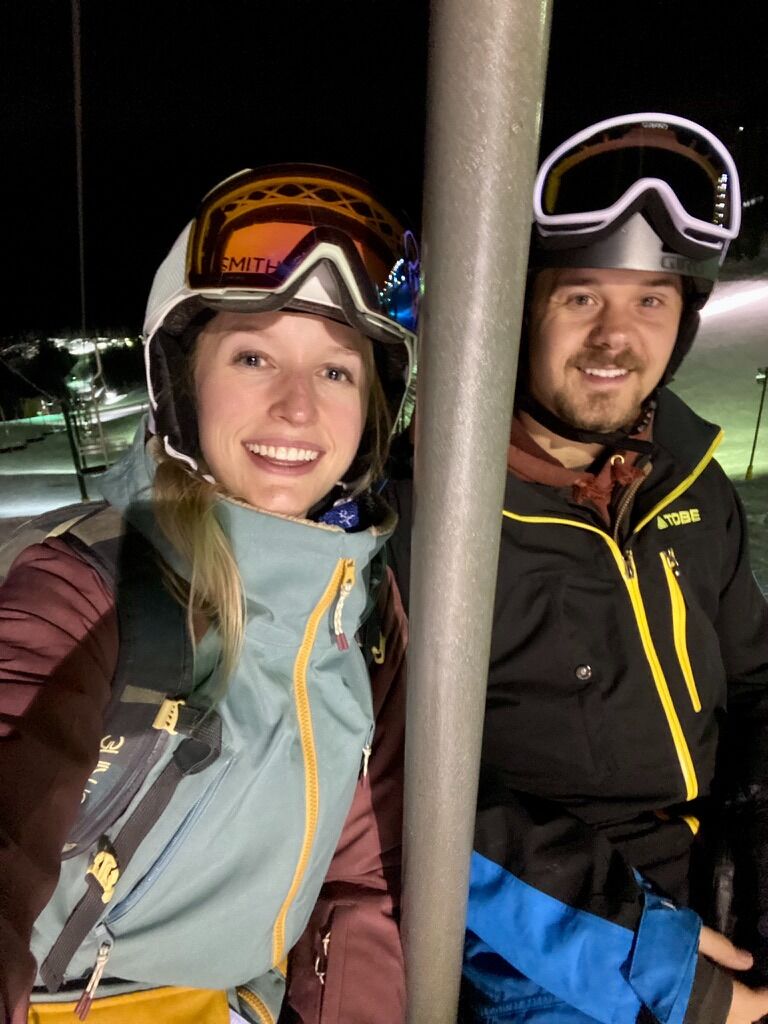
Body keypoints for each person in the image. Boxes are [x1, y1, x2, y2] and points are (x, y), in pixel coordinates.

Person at [0, 164, 418, 1024]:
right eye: (254, 355)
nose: (297, 407)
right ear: (184, 382)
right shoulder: (87, 586)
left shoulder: (361, 611)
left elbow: (355, 874)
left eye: (337, 372)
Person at [387, 113, 768, 1024]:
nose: (615, 337)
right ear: (519, 312)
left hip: (715, 888)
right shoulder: (429, 518)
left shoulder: (690, 484)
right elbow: (406, 789)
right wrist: (655, 958)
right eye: (582, 297)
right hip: (543, 952)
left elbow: (755, 679)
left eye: (651, 301)